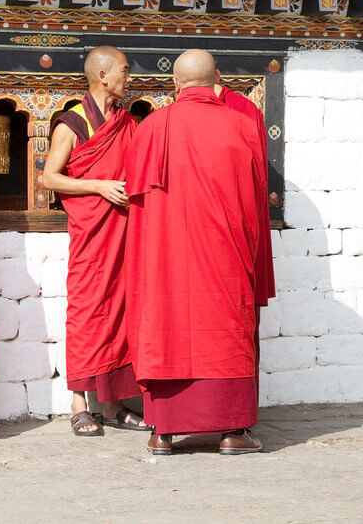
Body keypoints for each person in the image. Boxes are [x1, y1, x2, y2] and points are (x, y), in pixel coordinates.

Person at [124, 49, 267, 455]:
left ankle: (163, 431)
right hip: (225, 255)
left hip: (165, 258)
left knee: (166, 324)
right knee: (224, 329)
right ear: (217, 80)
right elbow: (256, 204)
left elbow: (137, 205)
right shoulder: (243, 125)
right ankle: (230, 432)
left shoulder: (151, 127)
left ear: (175, 84)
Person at [43, 46, 147, 437]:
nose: (129, 76)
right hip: (91, 235)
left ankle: (115, 402)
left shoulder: (126, 122)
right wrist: (98, 186)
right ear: (103, 75)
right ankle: (78, 403)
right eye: (124, 69)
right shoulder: (70, 124)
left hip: (122, 233)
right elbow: (50, 178)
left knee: (121, 311)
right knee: (87, 312)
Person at [216, 79, 277, 401]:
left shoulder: (241, 111)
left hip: (233, 230)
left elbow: (252, 178)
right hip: (216, 229)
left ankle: (239, 409)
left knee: (238, 322)